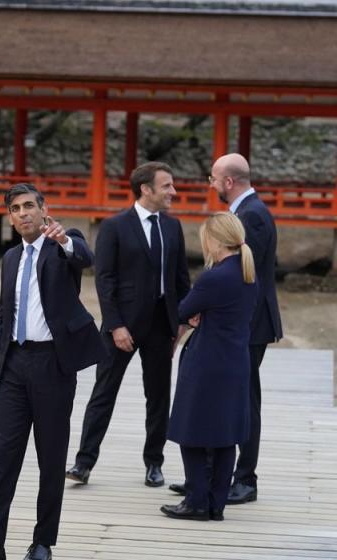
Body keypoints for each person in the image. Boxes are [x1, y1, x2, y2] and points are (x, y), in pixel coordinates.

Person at [0, 183, 105, 560]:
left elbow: (84, 257)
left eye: (29, 206)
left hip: (53, 365)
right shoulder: (10, 258)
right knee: (4, 457)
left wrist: (65, 241)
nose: (23, 213)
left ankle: (42, 542)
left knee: (50, 458)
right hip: (15, 366)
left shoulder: (63, 244)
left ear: (43, 210)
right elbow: (3, 318)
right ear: (9, 217)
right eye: (16, 209)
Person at [67, 162, 190, 487]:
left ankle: (154, 463)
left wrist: (181, 322)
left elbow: (181, 279)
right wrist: (116, 325)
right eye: (166, 186)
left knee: (159, 396)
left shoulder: (173, 227)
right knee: (103, 393)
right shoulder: (114, 226)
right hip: (122, 326)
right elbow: (104, 280)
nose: (173, 192)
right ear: (145, 189)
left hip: (162, 326)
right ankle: (84, 462)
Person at [170, 154, 283, 505]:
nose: (211, 184)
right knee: (220, 398)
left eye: (213, 179)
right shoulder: (246, 213)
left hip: (247, 325)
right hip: (234, 322)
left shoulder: (253, 216)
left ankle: (244, 478)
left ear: (229, 181)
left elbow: (245, 278)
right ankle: (204, 479)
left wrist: (218, 307)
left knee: (243, 401)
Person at [161, 213, 258, 520]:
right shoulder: (247, 273)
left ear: (215, 240)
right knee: (224, 435)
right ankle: (216, 503)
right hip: (235, 361)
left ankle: (196, 501)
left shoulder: (213, 276)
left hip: (207, 362)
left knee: (191, 431)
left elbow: (183, 310)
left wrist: (194, 315)